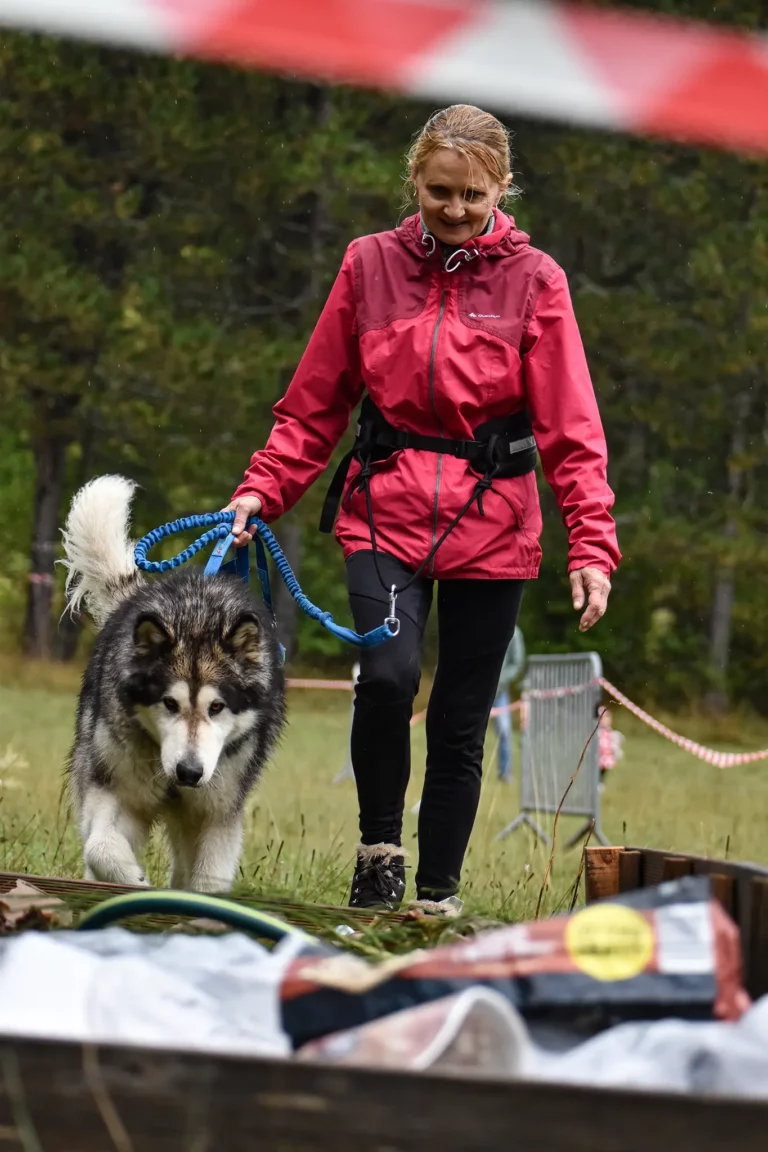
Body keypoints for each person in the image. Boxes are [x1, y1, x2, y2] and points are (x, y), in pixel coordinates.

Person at [225, 104, 620, 913]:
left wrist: (592, 545)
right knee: (389, 676)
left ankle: (435, 896)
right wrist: (263, 487)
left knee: (460, 720)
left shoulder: (537, 281)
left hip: (494, 518)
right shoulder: (368, 265)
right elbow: (313, 405)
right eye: (439, 190)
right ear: (414, 180)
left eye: (472, 195)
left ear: (502, 189)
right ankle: (378, 858)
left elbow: (572, 427)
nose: (454, 209)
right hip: (385, 507)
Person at [493, 626, 526, 783]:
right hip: (474, 688)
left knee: (504, 731)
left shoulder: (514, 633)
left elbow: (517, 663)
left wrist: (499, 681)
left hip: (499, 693)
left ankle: (504, 772)